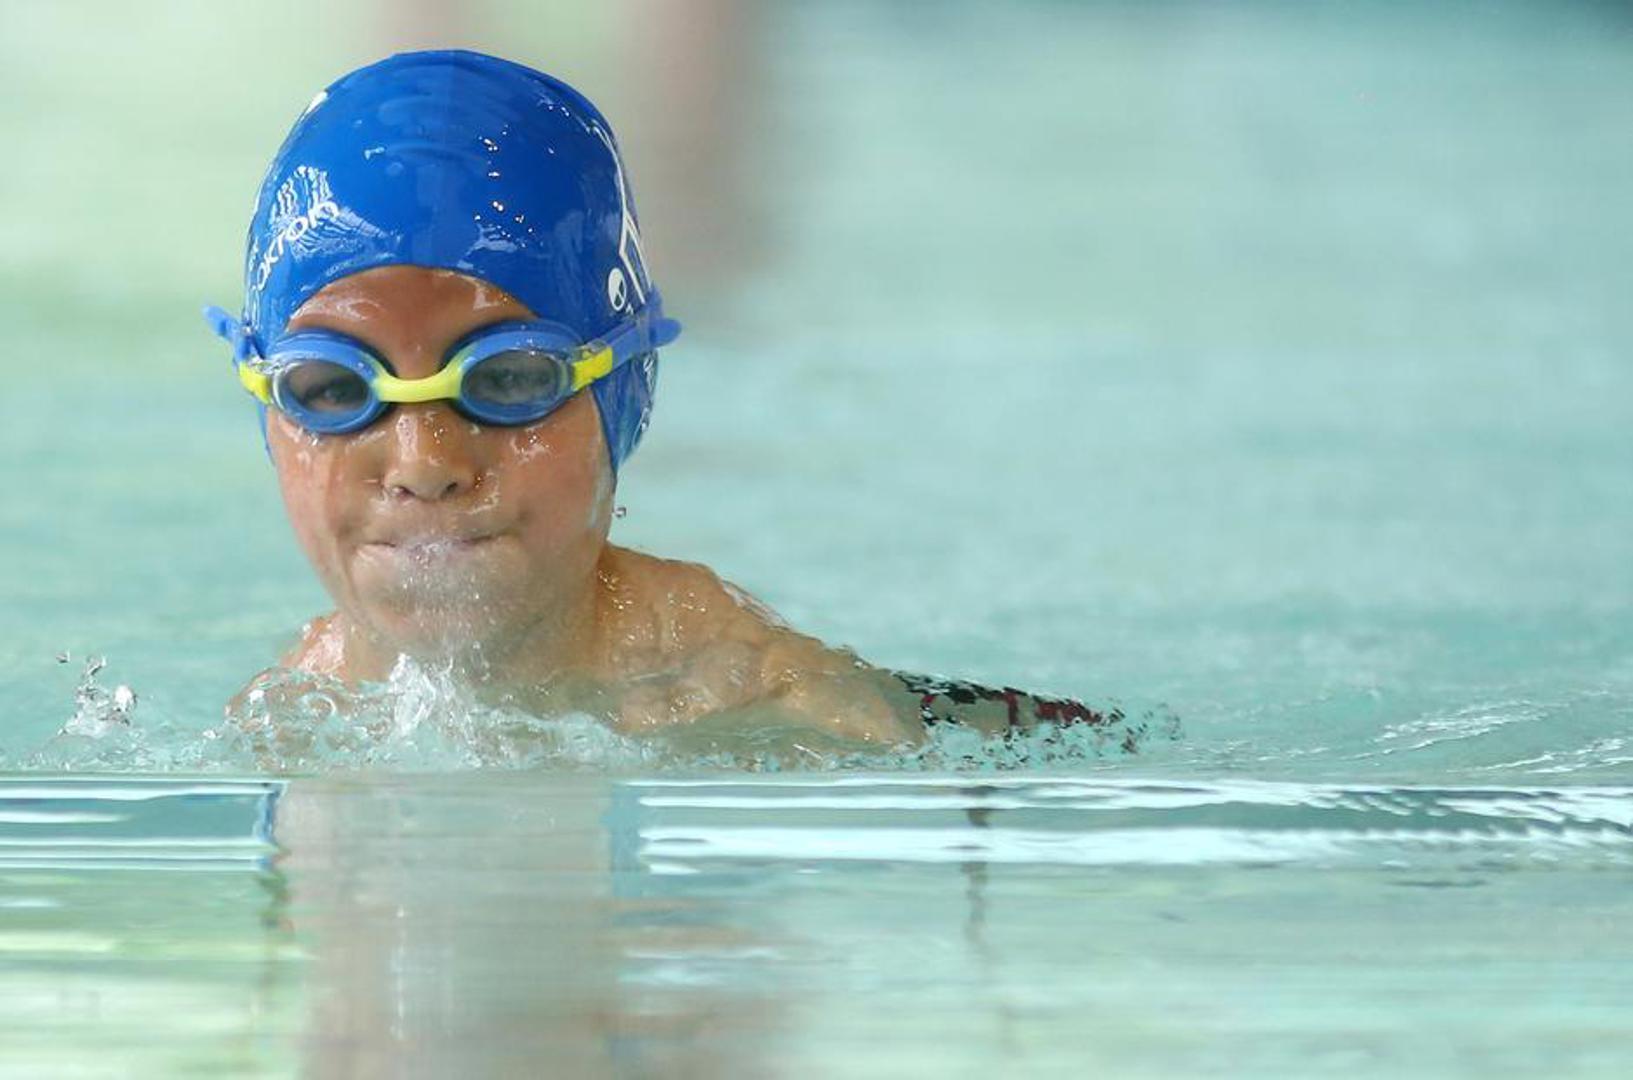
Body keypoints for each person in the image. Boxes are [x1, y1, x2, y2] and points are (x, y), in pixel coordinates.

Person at [209, 50, 1131, 752]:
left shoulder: (768, 707)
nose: (423, 464)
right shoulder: (285, 720)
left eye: (508, 379)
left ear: (624, 392)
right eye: (333, 388)